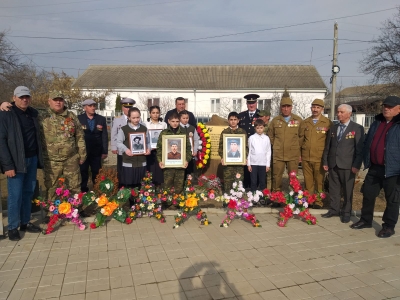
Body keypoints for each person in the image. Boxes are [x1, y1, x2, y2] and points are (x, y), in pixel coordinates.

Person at [351, 96, 400, 238]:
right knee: (368, 194)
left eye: (390, 107)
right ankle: (366, 220)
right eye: (385, 106)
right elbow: (368, 141)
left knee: (392, 200)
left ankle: (388, 227)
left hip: (393, 170)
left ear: (398, 109)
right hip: (375, 167)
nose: (386, 109)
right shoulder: (377, 122)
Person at [0, 86, 43, 240]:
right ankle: (12, 226)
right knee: (15, 195)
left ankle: (25, 222)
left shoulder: (33, 113)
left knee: (28, 192)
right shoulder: (6, 114)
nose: (24, 99)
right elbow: (1, 142)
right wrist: (7, 165)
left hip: (32, 159)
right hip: (16, 162)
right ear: (14, 97)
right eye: (21, 97)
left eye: (27, 97)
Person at [39, 91, 86, 200]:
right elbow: (22, 109)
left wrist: (82, 154)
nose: (58, 102)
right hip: (51, 161)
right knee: (52, 187)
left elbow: (79, 136)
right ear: (49, 101)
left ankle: (75, 212)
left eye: (60, 100)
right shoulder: (42, 116)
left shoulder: (71, 116)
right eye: (55, 100)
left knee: (74, 186)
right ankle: (52, 214)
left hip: (71, 159)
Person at [322, 104, 364, 223]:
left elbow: (359, 149)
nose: (338, 114)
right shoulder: (334, 128)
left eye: (341, 112)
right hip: (333, 164)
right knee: (334, 189)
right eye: (338, 112)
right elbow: (328, 147)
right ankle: (334, 209)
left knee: (347, 190)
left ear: (349, 113)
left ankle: (346, 212)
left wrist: (356, 165)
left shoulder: (357, 128)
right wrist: (325, 161)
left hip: (348, 165)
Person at [299, 99, 333, 208]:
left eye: (318, 107)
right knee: (308, 181)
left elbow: (330, 141)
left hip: (319, 157)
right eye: (313, 107)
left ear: (322, 109)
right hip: (306, 157)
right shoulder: (305, 122)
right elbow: (301, 139)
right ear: (311, 108)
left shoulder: (327, 123)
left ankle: (318, 202)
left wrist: (327, 158)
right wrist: (299, 154)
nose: (315, 109)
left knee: (319, 182)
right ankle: (309, 201)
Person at [267, 94, 303, 191]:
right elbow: (270, 135)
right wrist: (277, 145)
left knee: (293, 177)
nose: (286, 109)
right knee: (277, 177)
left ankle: (293, 198)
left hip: (293, 154)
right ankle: (276, 198)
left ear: (291, 107)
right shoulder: (275, 121)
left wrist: (296, 146)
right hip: (278, 154)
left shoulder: (298, 120)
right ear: (281, 107)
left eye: (288, 106)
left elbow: (301, 136)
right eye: (284, 106)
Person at [116, 107, 150, 195]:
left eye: (138, 117)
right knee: (129, 186)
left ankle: (140, 204)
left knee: (141, 185)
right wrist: (126, 150)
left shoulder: (144, 129)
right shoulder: (123, 129)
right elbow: (118, 143)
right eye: (134, 118)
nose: (136, 120)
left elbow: (148, 142)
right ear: (129, 118)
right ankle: (131, 204)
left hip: (141, 162)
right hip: (129, 162)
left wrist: (148, 149)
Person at [78, 99, 108, 193]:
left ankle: (97, 190)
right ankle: (83, 190)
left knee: (96, 171)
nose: (93, 108)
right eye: (90, 106)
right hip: (83, 151)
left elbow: (104, 136)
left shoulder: (101, 119)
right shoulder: (79, 118)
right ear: (85, 107)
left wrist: (104, 151)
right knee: (83, 171)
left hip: (96, 151)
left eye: (94, 106)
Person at [157, 112, 191, 194]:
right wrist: (160, 161)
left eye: (177, 121)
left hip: (180, 166)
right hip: (168, 166)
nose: (175, 123)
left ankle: (178, 204)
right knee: (167, 186)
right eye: (173, 121)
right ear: (168, 121)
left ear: (179, 121)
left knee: (179, 187)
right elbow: (159, 149)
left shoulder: (183, 133)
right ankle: (168, 204)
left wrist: (187, 160)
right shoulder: (164, 133)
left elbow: (188, 149)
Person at [219, 112, 247, 193]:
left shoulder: (242, 132)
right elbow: (221, 147)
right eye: (231, 120)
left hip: (239, 163)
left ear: (238, 120)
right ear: (228, 121)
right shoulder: (225, 132)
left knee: (239, 182)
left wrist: (245, 157)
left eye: (235, 119)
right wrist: (222, 157)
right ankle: (227, 199)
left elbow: (246, 147)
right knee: (228, 182)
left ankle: (238, 201)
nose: (233, 121)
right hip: (228, 164)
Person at [111, 98, 136, 185]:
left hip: (133, 149)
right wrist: (114, 147)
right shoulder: (117, 120)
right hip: (121, 150)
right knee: (121, 169)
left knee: (132, 169)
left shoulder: (136, 119)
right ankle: (121, 188)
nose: (128, 109)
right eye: (126, 107)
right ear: (122, 108)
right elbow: (114, 134)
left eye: (130, 107)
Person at [239, 94, 261, 188]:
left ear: (256, 103)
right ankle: (245, 185)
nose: (251, 105)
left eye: (253, 103)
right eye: (249, 103)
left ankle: (256, 186)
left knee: (256, 166)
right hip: (245, 146)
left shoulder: (261, 115)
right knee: (245, 166)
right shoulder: (241, 116)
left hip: (257, 146)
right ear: (246, 104)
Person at [247, 119, 271, 192]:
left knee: (262, 181)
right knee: (253, 181)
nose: (259, 130)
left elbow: (268, 151)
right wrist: (249, 164)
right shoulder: (251, 138)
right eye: (257, 128)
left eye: (261, 128)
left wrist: (267, 164)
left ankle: (263, 196)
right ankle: (253, 196)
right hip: (254, 163)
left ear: (264, 128)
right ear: (255, 128)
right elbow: (249, 151)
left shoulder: (266, 138)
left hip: (263, 163)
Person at [145, 105, 167, 186]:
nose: (155, 115)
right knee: (149, 169)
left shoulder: (163, 125)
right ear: (150, 113)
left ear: (160, 114)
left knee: (159, 169)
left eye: (157, 113)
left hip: (160, 150)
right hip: (149, 150)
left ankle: (159, 187)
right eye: (153, 113)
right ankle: (149, 186)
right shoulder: (145, 124)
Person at [179, 110, 199, 176]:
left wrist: (195, 150)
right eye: (183, 118)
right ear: (180, 118)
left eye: (187, 118)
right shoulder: (177, 127)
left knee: (190, 173)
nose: (185, 120)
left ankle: (189, 185)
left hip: (190, 154)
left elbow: (196, 140)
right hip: (180, 155)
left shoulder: (192, 128)